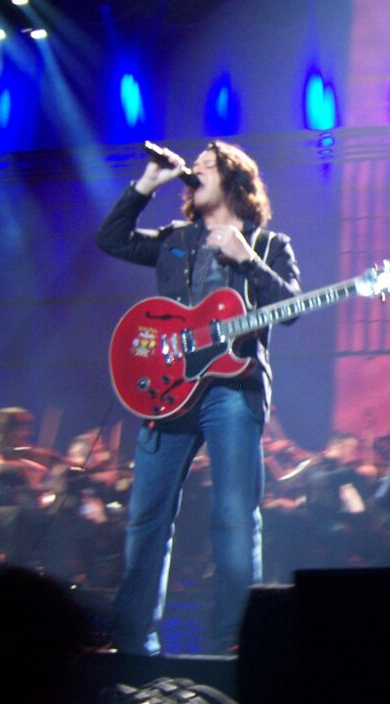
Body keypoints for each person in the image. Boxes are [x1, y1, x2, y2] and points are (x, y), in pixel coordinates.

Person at [96, 140, 301, 654]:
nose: (195, 172)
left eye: (208, 166)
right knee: (147, 515)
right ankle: (132, 642)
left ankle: (235, 642)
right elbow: (111, 238)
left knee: (233, 516)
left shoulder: (270, 243)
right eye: (196, 167)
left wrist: (248, 259)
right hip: (167, 389)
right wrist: (147, 182)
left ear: (234, 181)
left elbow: (292, 308)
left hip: (232, 388)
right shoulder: (175, 239)